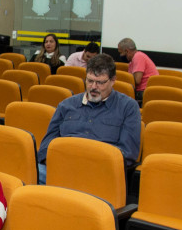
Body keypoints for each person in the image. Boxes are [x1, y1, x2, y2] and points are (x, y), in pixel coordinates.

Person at [37, 53, 141, 184]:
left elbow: (128, 153)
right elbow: (47, 144)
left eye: (100, 83)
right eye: (90, 81)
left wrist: (90, 165)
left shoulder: (128, 107)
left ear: (113, 80)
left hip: (98, 172)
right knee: (30, 172)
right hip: (63, 167)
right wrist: (57, 163)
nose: (93, 87)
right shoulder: (67, 105)